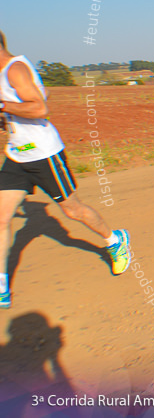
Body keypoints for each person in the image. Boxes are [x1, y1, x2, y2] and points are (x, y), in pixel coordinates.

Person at [0, 30, 131, 308]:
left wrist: (2, 105)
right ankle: (1, 285)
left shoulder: (16, 69)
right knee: (1, 218)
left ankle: (114, 239)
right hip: (17, 155)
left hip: (44, 154)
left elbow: (39, 109)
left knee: (73, 210)